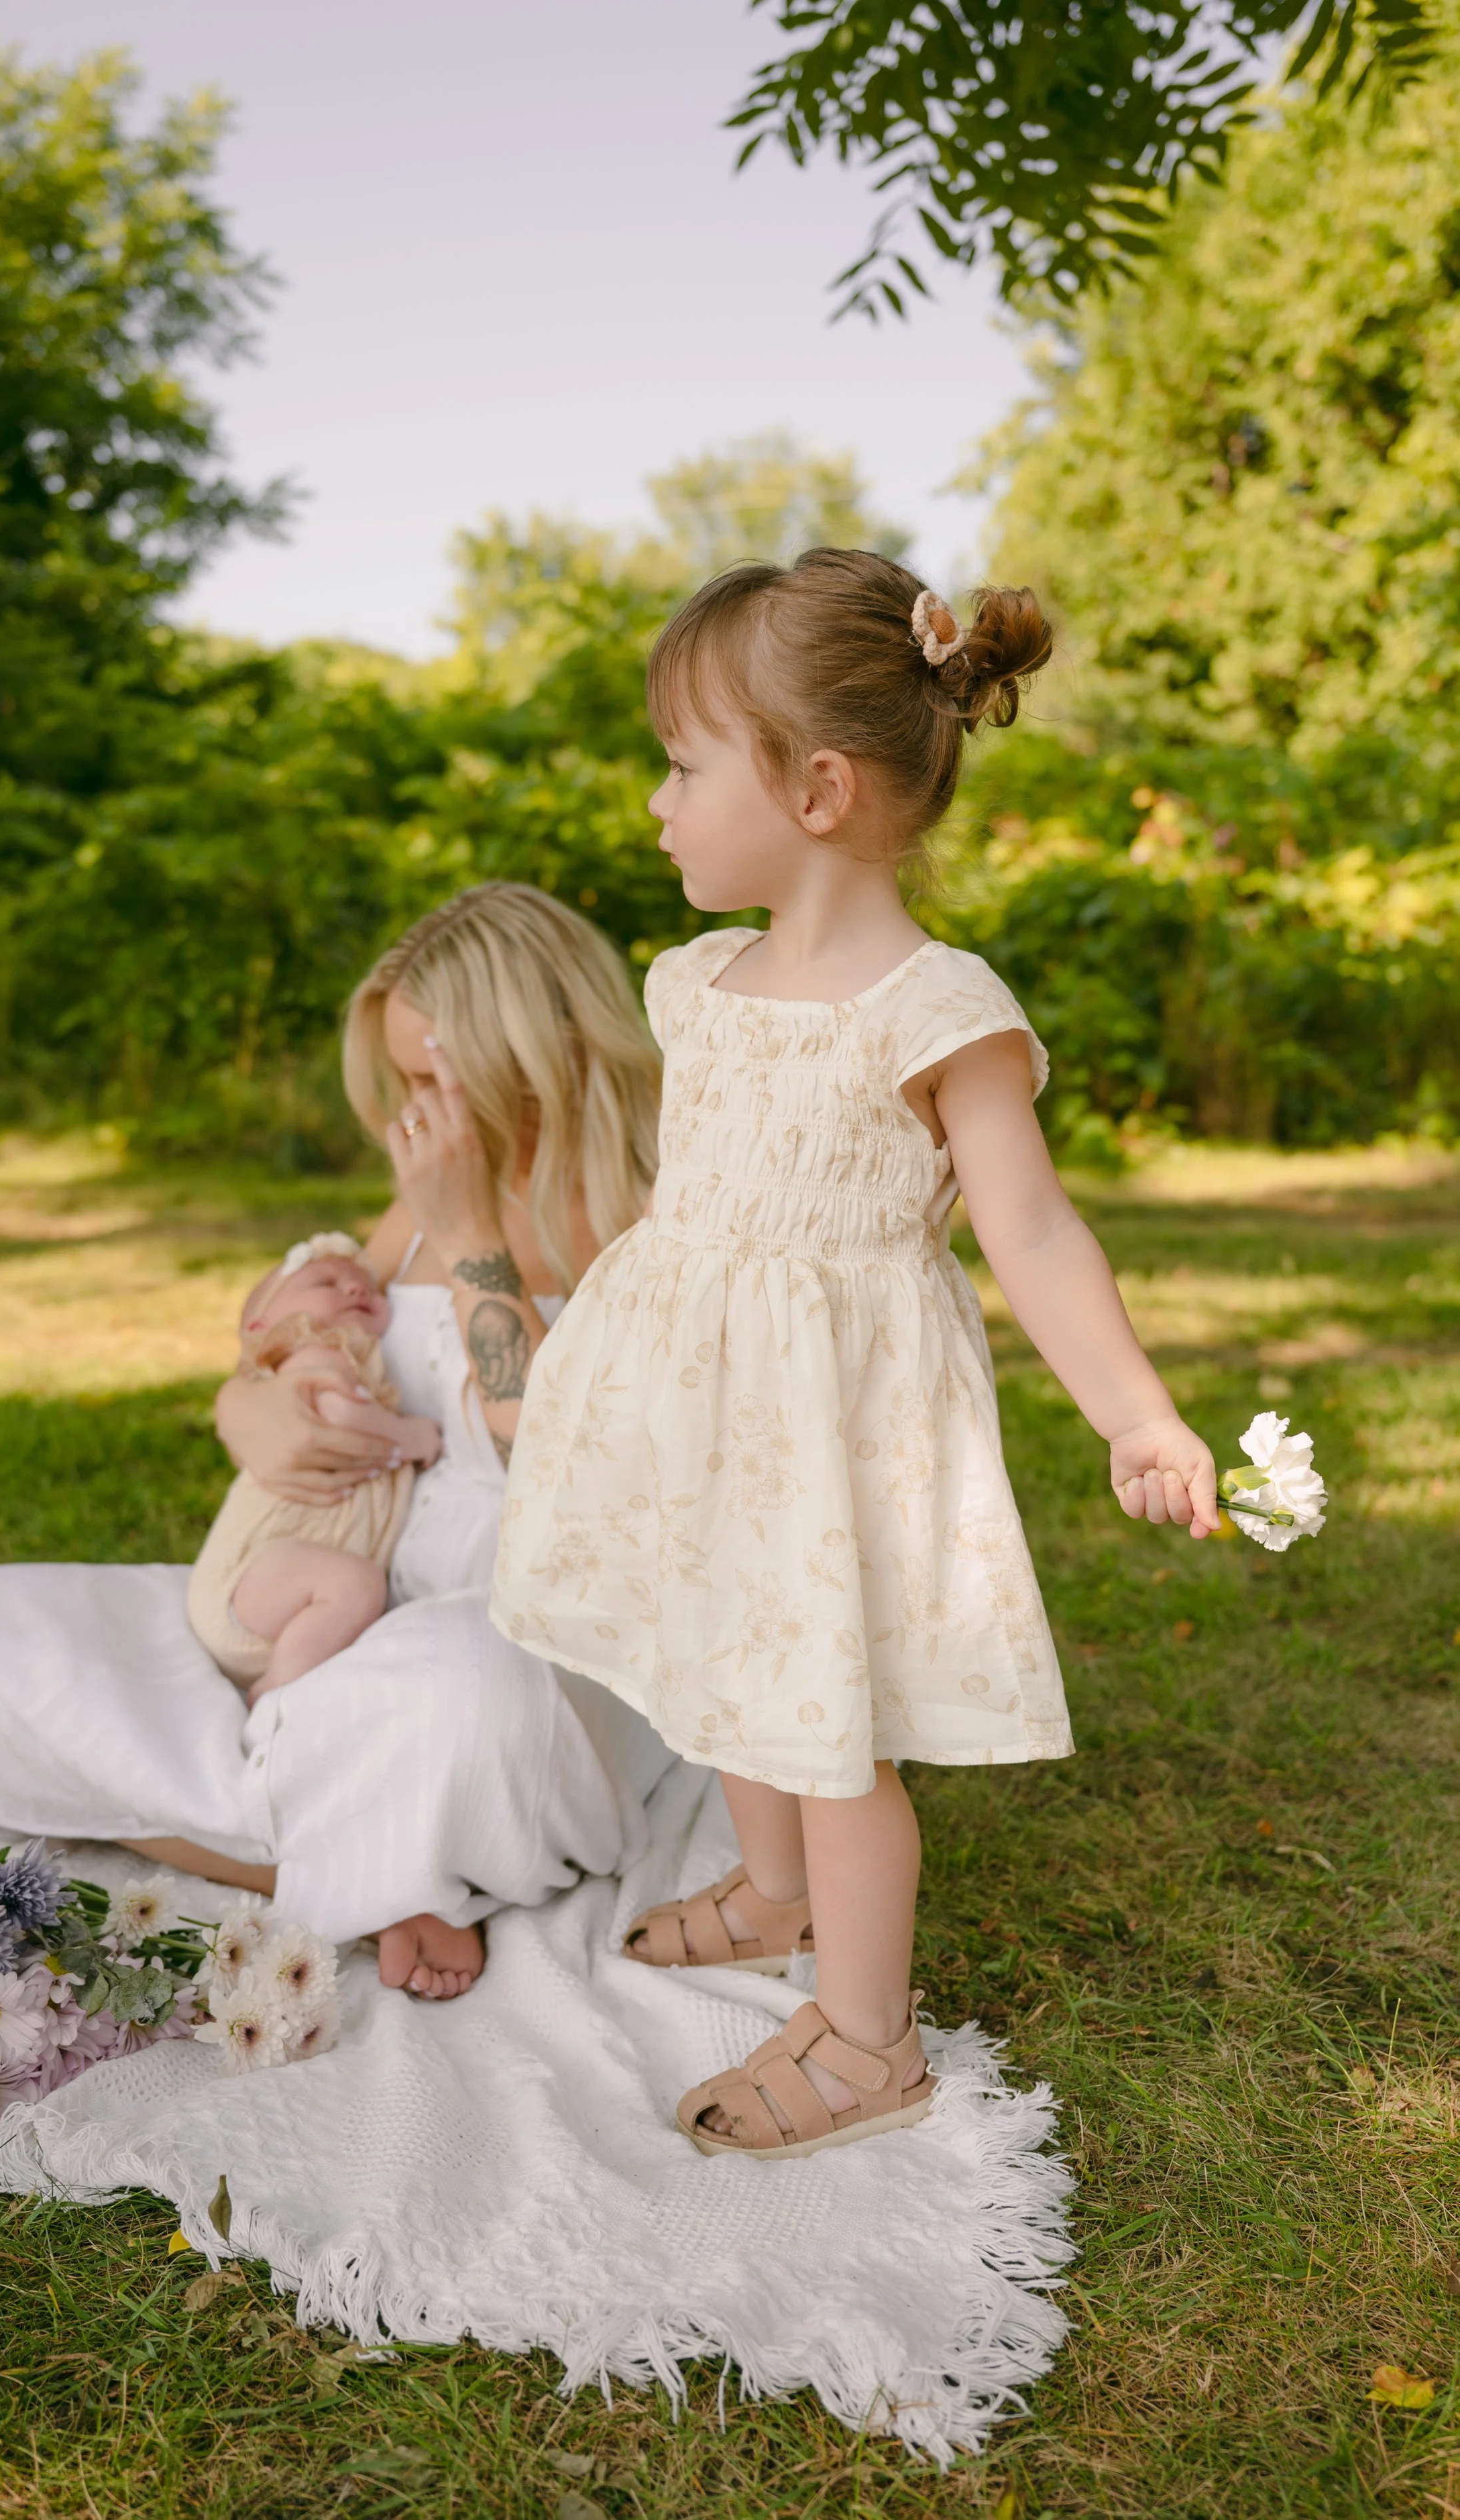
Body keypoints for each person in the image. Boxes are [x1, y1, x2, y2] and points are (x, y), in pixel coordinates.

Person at [492, 551, 1219, 2153]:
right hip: (706, 1398)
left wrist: (1137, 1412)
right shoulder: (698, 981)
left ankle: (870, 2038)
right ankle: (771, 1890)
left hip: (835, 1422)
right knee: (725, 1657)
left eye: (684, 765)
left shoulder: (933, 1006)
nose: (658, 803)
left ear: (816, 788)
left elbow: (1030, 1231)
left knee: (831, 1726)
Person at [0, 884, 669, 2002]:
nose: (416, 1112)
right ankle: (354, 1852)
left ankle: (269, 1840)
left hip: (518, 1632)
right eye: (402, 1080)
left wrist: (469, 1241)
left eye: (432, 1078)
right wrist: (245, 1403)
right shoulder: (416, 1206)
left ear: (536, 1048)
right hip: (341, 1605)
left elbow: (555, 1448)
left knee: (473, 1683)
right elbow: (310, 1339)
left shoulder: (651, 1212)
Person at [187, 1236, 443, 1705]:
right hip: (245, 1582)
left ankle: (284, 1669)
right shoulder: (313, 1350)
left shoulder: (357, 1364)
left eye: (366, 1285)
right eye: (325, 1282)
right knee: (357, 1585)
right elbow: (336, 1414)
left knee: (352, 1586)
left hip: (279, 1598)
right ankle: (275, 1694)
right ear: (264, 1326)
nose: (354, 1290)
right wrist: (410, 1437)